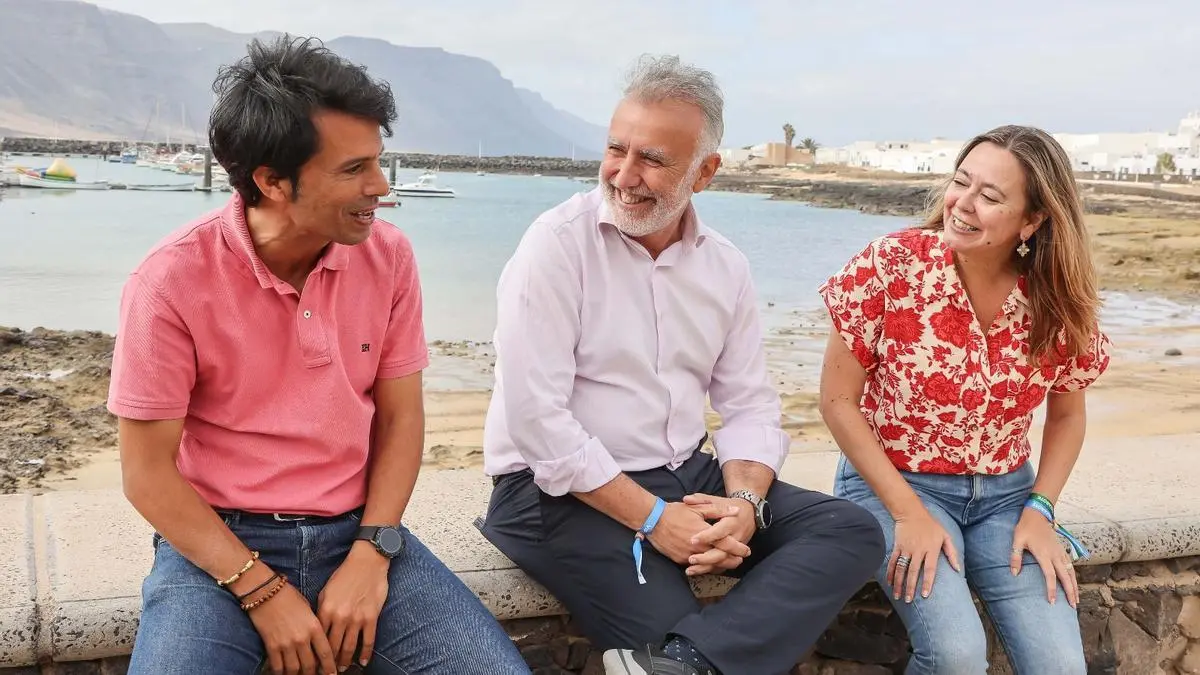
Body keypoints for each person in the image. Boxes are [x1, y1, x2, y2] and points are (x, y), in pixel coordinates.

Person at [107, 35, 530, 675]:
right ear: (272, 181)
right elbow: (146, 473)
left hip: (356, 532)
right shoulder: (170, 282)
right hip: (216, 548)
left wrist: (374, 549)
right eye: (353, 169)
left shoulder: (389, 257)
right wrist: (258, 587)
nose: (382, 187)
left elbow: (400, 420)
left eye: (378, 161)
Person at [476, 54, 886, 675]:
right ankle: (687, 657)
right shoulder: (553, 247)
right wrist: (656, 522)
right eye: (618, 149)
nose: (624, 175)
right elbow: (538, 423)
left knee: (849, 530)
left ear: (706, 172)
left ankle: (683, 663)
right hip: (553, 491)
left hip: (687, 474)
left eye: (653, 160)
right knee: (676, 628)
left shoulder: (725, 267)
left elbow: (748, 403)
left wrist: (744, 503)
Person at [818, 125, 1111, 675]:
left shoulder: (1056, 301)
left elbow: (1068, 414)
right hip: (895, 485)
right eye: (961, 182)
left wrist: (1041, 508)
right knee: (955, 656)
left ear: (1033, 220)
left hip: (1006, 499)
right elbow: (837, 402)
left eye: (991, 196)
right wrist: (908, 513)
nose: (963, 204)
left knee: (1060, 667)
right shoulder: (891, 266)